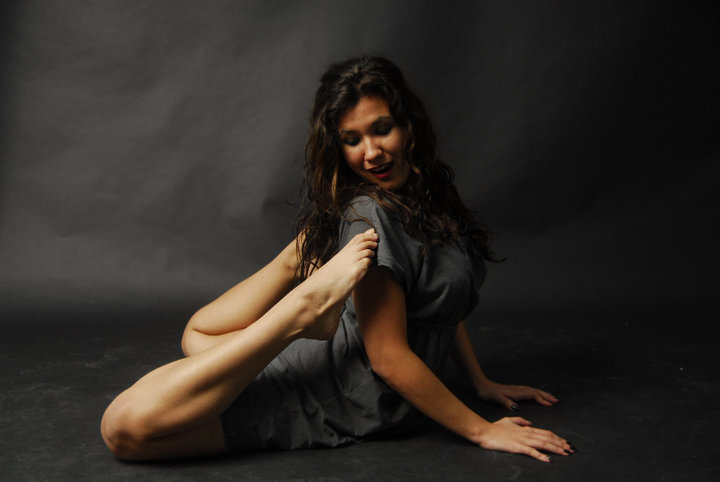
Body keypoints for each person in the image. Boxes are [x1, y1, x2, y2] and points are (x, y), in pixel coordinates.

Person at [101, 56, 574, 463]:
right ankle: (299, 308)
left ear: (408, 125)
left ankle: (298, 276)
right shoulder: (370, 213)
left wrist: (479, 380)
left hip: (343, 387)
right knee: (126, 425)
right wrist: (481, 430)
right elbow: (388, 359)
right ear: (338, 147)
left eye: (382, 129)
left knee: (170, 374)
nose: (371, 153)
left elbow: (438, 304)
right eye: (352, 139)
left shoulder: (427, 198)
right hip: (337, 390)